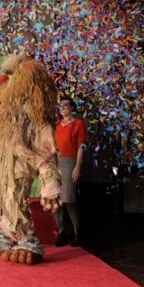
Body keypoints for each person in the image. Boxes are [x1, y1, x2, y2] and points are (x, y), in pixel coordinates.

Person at [53, 97, 87, 247]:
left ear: (72, 107)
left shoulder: (78, 124)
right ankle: (62, 232)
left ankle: (78, 232)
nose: (62, 108)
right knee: (55, 201)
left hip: (70, 162)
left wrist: (77, 166)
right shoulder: (56, 125)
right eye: (60, 106)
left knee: (68, 199)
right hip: (55, 163)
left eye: (65, 105)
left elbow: (82, 146)